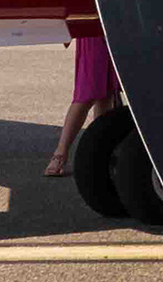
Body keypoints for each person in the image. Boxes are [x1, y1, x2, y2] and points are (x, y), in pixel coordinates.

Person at [43, 20, 118, 178]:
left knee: (106, 94)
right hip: (93, 28)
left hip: (113, 29)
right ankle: (60, 154)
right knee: (86, 95)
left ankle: (100, 153)